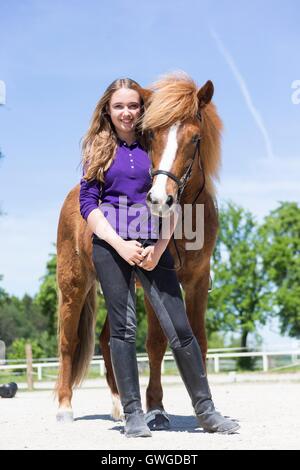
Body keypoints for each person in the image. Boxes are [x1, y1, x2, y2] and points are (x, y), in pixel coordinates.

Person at [79, 78, 240, 438]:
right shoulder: (98, 148)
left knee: (180, 328)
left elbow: (172, 199)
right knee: (122, 329)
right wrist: (120, 245)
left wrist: (160, 244)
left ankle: (206, 410)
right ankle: (134, 414)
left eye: (133, 106)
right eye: (119, 106)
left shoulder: (155, 144)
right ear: (108, 109)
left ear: (142, 110)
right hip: (112, 243)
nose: (127, 112)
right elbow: (87, 204)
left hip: (153, 242)